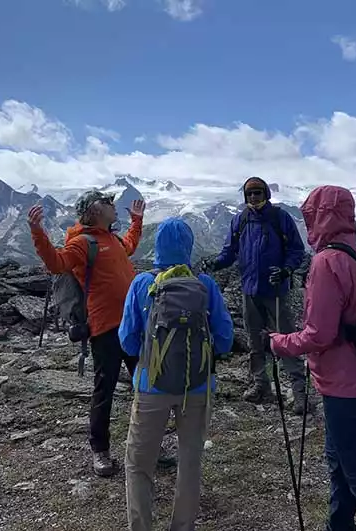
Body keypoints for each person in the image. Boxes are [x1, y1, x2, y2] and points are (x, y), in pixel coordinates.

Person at [268, 185, 356, 531]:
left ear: (320, 216)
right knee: (341, 462)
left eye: (310, 216)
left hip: (345, 384)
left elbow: (319, 334)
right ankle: (338, 525)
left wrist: (280, 343)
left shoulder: (327, 262)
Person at [119, 217, 234, 531]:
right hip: (197, 386)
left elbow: (127, 341)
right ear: (189, 246)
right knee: (190, 461)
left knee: (139, 464)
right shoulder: (205, 285)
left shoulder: (142, 284)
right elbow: (225, 339)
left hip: (151, 385)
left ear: (157, 246)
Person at [28, 190, 145, 477]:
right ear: (93, 211)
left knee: (144, 386)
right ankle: (100, 451)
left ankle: (147, 443)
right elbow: (56, 263)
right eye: (107, 202)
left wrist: (137, 221)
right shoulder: (83, 243)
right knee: (105, 390)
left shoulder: (112, 239)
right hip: (106, 329)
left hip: (132, 326)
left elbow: (129, 245)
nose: (113, 205)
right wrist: (37, 232)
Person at [203, 176, 308, 413]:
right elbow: (230, 252)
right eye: (249, 194)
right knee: (254, 342)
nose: (253, 197)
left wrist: (286, 270)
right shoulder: (240, 220)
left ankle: (299, 392)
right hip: (250, 290)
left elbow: (296, 250)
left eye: (257, 193)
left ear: (266, 194)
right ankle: (261, 385)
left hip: (275, 291)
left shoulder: (280, 218)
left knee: (287, 340)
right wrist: (216, 263)